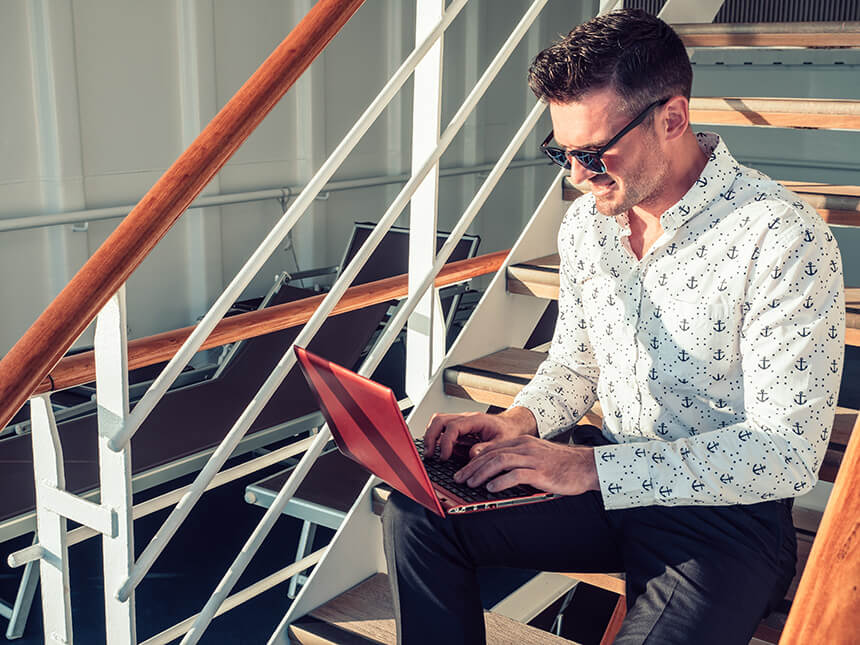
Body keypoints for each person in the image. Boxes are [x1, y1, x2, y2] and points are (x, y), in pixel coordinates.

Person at [382, 9, 844, 645]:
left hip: (722, 519)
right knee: (418, 513)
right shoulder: (587, 225)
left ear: (672, 118)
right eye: (562, 152)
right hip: (605, 480)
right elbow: (576, 365)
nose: (576, 175)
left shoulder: (782, 238)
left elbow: (785, 455)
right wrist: (519, 422)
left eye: (593, 153)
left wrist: (583, 471)